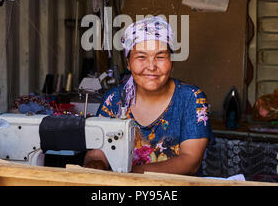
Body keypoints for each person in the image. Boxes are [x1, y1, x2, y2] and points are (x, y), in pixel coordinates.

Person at [83, 16, 213, 175]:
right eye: (141, 57)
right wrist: (95, 165)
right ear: (129, 63)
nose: (151, 67)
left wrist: (129, 175)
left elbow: (190, 161)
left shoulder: (191, 98)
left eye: (160, 56)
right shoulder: (114, 99)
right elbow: (98, 151)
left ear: (171, 61)